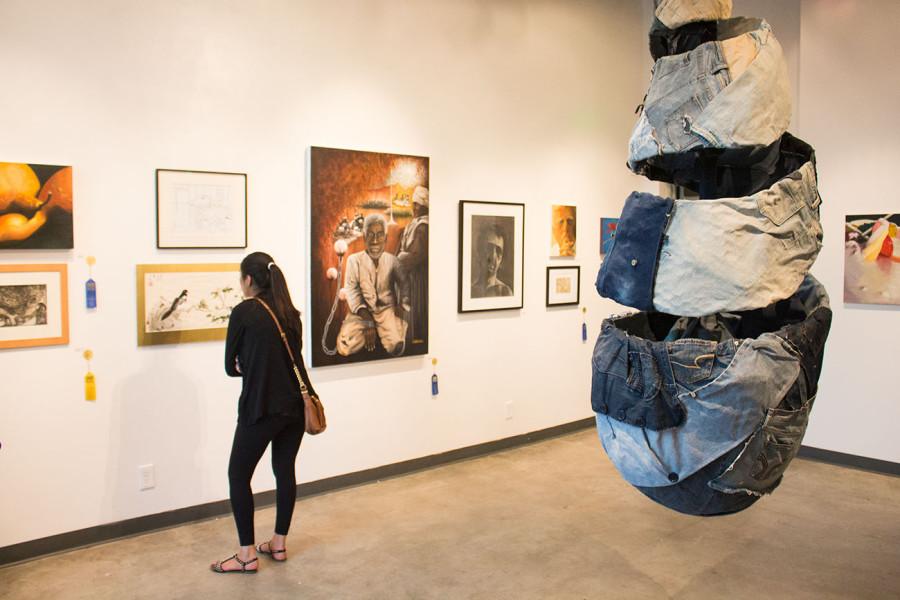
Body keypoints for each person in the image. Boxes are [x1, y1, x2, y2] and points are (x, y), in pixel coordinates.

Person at [211, 252, 316, 574]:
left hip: (261, 408)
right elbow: (290, 359)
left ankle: (246, 556)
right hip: (295, 408)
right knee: (284, 470)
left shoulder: (244, 312)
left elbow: (231, 366)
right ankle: (279, 544)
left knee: (238, 475)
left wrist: (248, 364)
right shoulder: (290, 312)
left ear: (248, 280)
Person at [337, 213, 409, 356]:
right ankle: (373, 330)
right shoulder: (354, 260)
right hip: (360, 313)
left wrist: (403, 304)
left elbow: (405, 283)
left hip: (386, 311)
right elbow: (351, 290)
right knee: (345, 347)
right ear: (364, 237)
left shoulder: (393, 261)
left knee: (396, 347)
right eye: (370, 235)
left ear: (386, 238)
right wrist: (368, 320)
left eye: (380, 235)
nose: (375, 241)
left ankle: (388, 328)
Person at [398, 186, 429, 344]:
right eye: (413, 203)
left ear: (425, 205)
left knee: (416, 308)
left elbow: (417, 255)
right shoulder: (415, 224)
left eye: (417, 204)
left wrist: (397, 262)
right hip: (410, 275)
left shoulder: (423, 227)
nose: (414, 207)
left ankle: (417, 340)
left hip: (418, 277)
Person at [472, 222, 513, 298]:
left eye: (498, 251)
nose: (493, 256)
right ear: (479, 252)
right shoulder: (470, 291)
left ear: (501, 260)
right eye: (489, 248)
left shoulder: (505, 292)